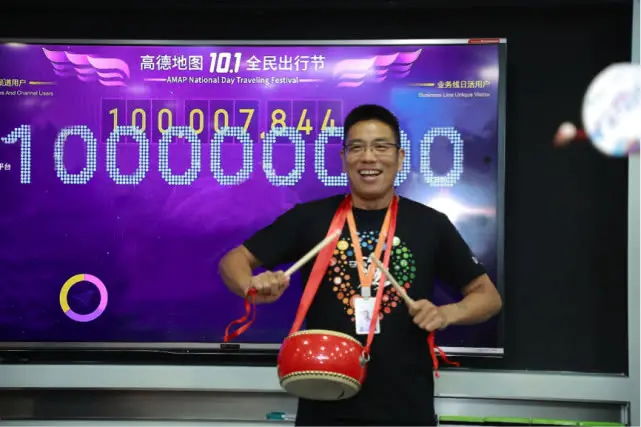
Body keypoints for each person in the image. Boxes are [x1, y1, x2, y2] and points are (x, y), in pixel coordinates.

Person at [219, 104, 503, 426]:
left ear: (400, 157)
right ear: (344, 159)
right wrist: (251, 285)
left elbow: (488, 296)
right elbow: (233, 261)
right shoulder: (308, 219)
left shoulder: (430, 224)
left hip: (406, 409)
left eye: (381, 146)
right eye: (357, 147)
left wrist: (446, 314)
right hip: (323, 404)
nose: (369, 157)